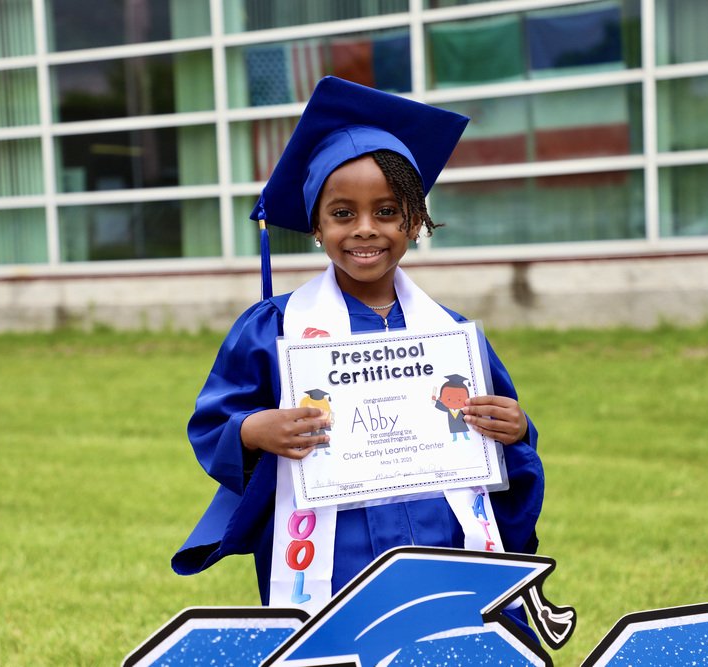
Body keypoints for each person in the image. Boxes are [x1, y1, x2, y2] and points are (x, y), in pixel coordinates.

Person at [173, 77, 544, 632]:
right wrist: (254, 431)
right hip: (333, 560)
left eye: (387, 211)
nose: (365, 229)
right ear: (316, 228)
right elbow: (214, 424)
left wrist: (514, 428)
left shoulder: (451, 335)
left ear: (414, 221)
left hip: (442, 543)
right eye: (342, 213)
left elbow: (502, 451)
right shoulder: (275, 330)